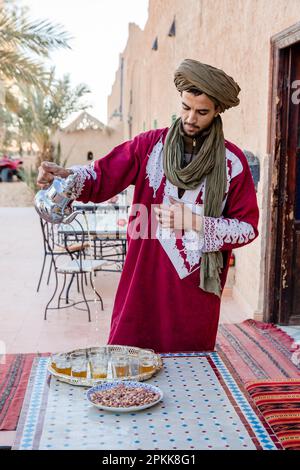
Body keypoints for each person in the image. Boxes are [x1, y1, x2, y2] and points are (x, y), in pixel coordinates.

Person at [37, 59, 259, 353]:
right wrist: (66, 176)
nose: (190, 118)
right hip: (141, 283)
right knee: (126, 362)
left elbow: (246, 228)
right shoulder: (149, 146)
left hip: (194, 294)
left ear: (218, 111)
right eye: (185, 108)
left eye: (202, 112)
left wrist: (194, 221)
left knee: (189, 373)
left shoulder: (233, 163)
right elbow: (101, 176)